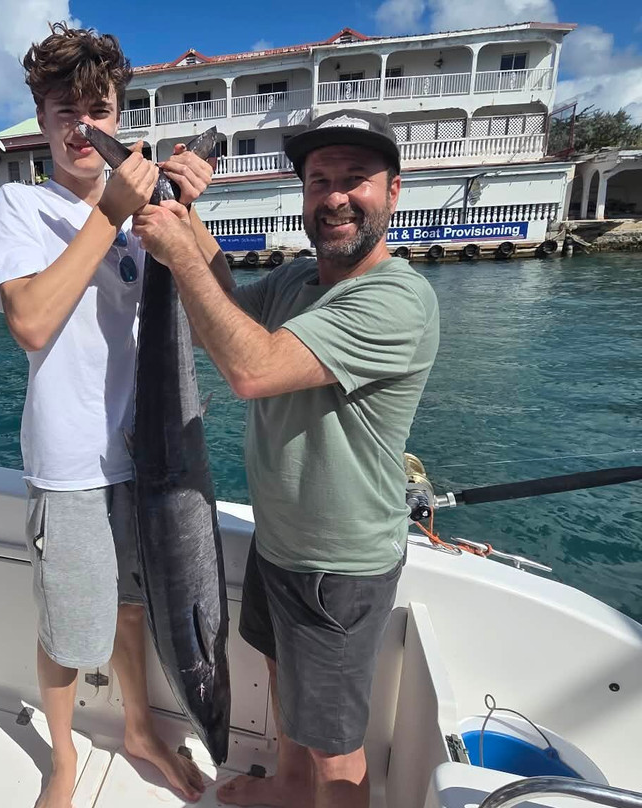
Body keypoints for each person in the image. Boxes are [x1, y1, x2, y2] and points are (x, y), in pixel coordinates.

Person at [131, 109, 440, 808]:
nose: (336, 196)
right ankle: (292, 789)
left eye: (355, 179)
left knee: (336, 749)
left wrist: (177, 250)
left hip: (340, 565)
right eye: (319, 180)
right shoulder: (299, 279)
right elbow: (222, 314)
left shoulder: (398, 298)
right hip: (280, 541)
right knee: (280, 680)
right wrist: (187, 213)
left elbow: (252, 369)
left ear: (393, 190)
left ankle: (315, 787)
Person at [0, 22, 228, 808]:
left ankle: (141, 729)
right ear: (41, 119)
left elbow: (220, 307)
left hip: (155, 458)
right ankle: (62, 758)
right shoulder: (21, 205)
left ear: (120, 116)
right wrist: (108, 213)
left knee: (132, 607)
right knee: (69, 628)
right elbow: (30, 323)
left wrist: (186, 212)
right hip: (72, 461)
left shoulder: (147, 211)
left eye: (98, 110)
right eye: (65, 111)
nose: (82, 127)